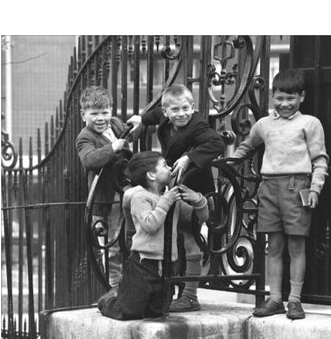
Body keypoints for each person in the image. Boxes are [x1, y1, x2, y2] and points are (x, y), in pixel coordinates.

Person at [232, 69, 329, 320]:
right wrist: (229, 162)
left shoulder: (310, 123)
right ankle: (275, 299)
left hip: (298, 188)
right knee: (273, 246)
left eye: (291, 98)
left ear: (302, 97)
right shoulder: (263, 125)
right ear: (272, 97)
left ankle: (294, 300)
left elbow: (320, 160)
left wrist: (315, 188)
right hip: (268, 188)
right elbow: (246, 146)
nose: (285, 104)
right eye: (279, 98)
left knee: (296, 244)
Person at [140, 84, 225, 312]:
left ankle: (190, 296)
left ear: (193, 106)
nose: (181, 114)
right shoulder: (166, 117)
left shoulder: (196, 124)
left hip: (197, 191)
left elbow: (217, 142)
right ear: (167, 112)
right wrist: (140, 119)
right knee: (174, 240)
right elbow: (155, 114)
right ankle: (170, 291)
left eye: (186, 108)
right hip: (175, 188)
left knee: (191, 240)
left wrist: (190, 157)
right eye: (175, 110)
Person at [97, 151, 209, 320]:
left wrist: (198, 199)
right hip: (143, 263)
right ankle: (109, 299)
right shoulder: (140, 198)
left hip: (166, 266)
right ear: (151, 175)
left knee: (157, 311)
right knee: (129, 312)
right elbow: (150, 224)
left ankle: (126, 295)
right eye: (164, 165)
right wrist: (167, 201)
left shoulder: (171, 199)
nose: (170, 168)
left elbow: (200, 219)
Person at [75, 86, 142, 287]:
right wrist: (113, 148)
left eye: (104, 112)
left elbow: (130, 137)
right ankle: (114, 288)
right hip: (107, 199)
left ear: (111, 111)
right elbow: (89, 160)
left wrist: (137, 126)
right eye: (94, 114)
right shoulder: (85, 137)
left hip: (127, 191)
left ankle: (133, 282)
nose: (100, 118)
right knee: (111, 246)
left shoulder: (114, 124)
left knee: (132, 238)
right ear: (83, 114)